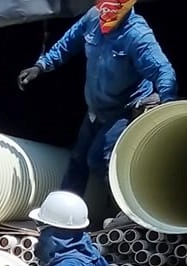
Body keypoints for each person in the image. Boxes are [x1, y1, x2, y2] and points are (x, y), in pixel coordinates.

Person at [18, 0, 177, 197]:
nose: (107, 8)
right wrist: (41, 66)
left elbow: (163, 71)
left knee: (101, 158)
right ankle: (63, 214)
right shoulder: (94, 17)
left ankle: (129, 212)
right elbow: (68, 43)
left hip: (124, 110)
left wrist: (167, 107)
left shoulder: (137, 35)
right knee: (78, 159)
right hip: (96, 108)